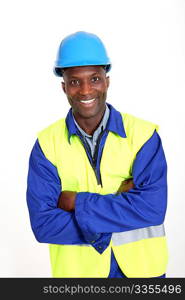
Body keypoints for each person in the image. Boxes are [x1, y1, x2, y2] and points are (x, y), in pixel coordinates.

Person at [26, 31, 168, 278]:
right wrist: (119, 209)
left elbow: (152, 209)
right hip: (80, 277)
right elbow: (44, 225)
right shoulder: (46, 145)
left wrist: (75, 203)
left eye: (94, 78)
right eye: (74, 82)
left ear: (107, 81)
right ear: (64, 88)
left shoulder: (143, 136)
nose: (85, 90)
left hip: (144, 273)